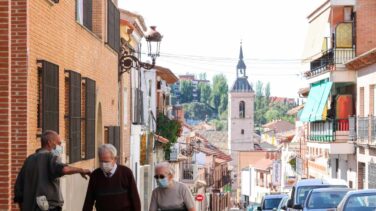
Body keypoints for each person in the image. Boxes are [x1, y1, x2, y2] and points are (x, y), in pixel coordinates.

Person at [14, 130, 91, 211]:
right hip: (48, 207)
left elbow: (18, 189)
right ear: (50, 142)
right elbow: (64, 169)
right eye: (59, 143)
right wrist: (81, 170)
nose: (60, 147)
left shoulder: (29, 159)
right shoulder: (51, 157)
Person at [82, 144, 141, 211]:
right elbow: (88, 201)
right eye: (101, 161)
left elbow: (135, 199)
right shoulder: (95, 176)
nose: (103, 164)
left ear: (115, 159)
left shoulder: (126, 173)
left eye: (106, 162)